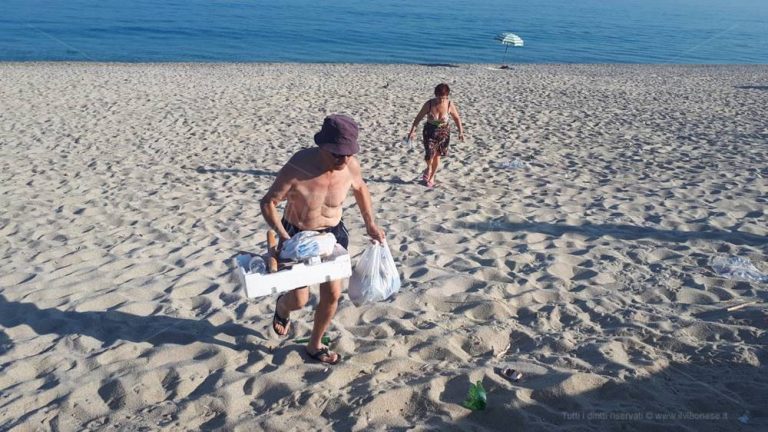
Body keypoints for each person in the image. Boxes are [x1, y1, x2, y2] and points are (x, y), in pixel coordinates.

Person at [260, 114, 386, 365]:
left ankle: (314, 344)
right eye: (337, 153)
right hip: (296, 234)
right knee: (299, 300)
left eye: (348, 153)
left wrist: (370, 222)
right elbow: (268, 203)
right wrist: (284, 237)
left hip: (333, 234)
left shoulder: (351, 165)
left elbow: (360, 189)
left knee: (332, 295)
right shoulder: (300, 165)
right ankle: (283, 308)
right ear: (323, 146)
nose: (344, 158)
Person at [407, 83, 465, 188]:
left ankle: (432, 177)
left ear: (447, 96)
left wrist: (460, 131)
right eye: (439, 97)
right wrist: (412, 131)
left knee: (437, 156)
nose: (441, 100)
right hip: (429, 131)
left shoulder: (449, 104)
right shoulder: (429, 104)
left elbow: (457, 118)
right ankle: (428, 168)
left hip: (444, 133)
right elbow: (418, 118)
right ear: (435, 95)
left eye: (444, 98)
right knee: (429, 154)